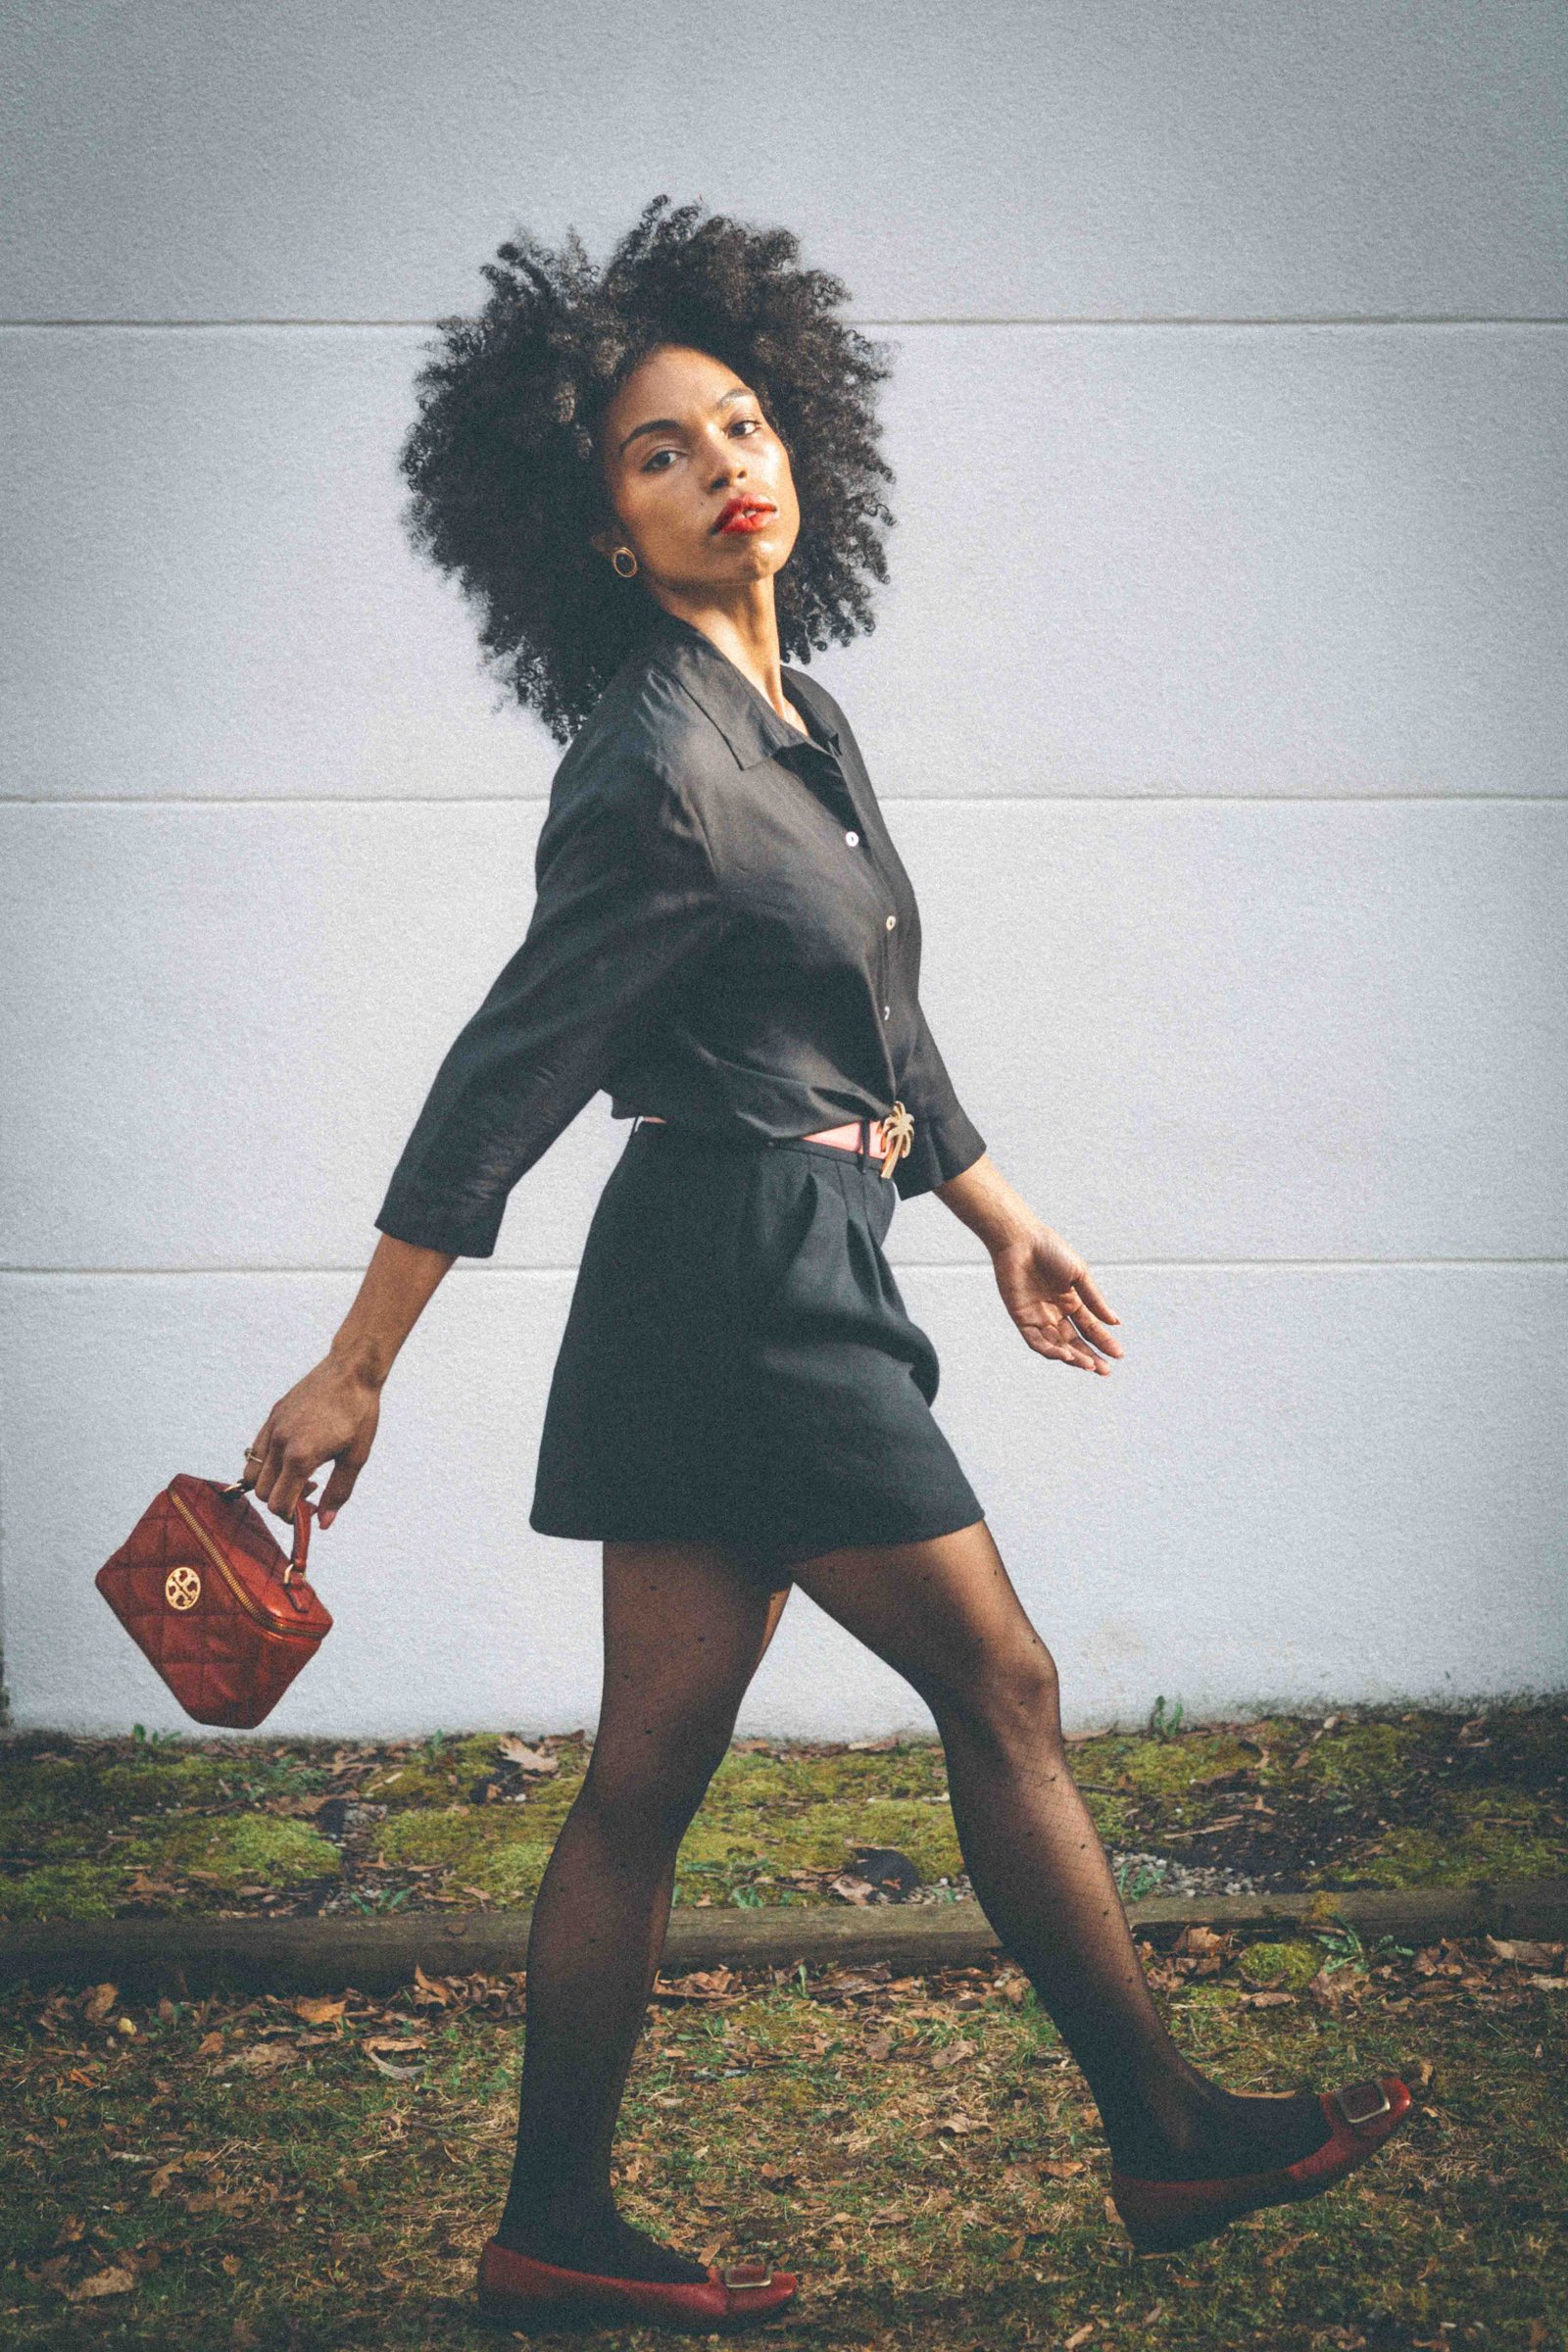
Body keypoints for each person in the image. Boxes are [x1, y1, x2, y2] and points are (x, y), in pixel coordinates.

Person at [242, 196, 1410, 2332]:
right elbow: (503, 1072)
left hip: (780, 1257)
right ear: (593, 528)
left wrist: (991, 1202)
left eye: (742, 423)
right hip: (738, 1284)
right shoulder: (658, 769)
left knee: (645, 1773)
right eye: (657, 454)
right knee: (1007, 1685)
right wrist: (358, 1363)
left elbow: (869, 1014)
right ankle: (1163, 2131)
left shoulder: (801, 718)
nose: (720, 469)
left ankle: (552, 2234)